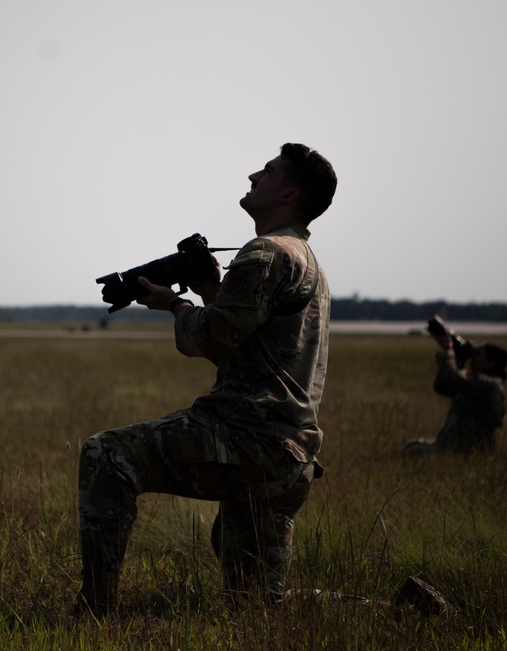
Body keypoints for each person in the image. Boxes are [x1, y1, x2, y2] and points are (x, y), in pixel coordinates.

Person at [75, 143, 336, 615]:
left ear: (289, 193)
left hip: (247, 440)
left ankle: (95, 612)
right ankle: (393, 610)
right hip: (290, 455)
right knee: (257, 607)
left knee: (106, 454)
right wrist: (213, 290)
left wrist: (175, 306)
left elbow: (213, 336)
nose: (254, 174)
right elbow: (247, 349)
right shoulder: (307, 260)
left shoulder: (266, 252)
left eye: (269, 171)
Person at [402, 332, 507, 457]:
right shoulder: (472, 382)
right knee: (410, 446)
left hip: (467, 450)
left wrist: (448, 348)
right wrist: (458, 361)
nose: (473, 357)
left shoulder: (489, 386)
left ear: (490, 363)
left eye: (477, 355)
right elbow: (441, 386)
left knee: (413, 453)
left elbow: (451, 377)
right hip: (452, 445)